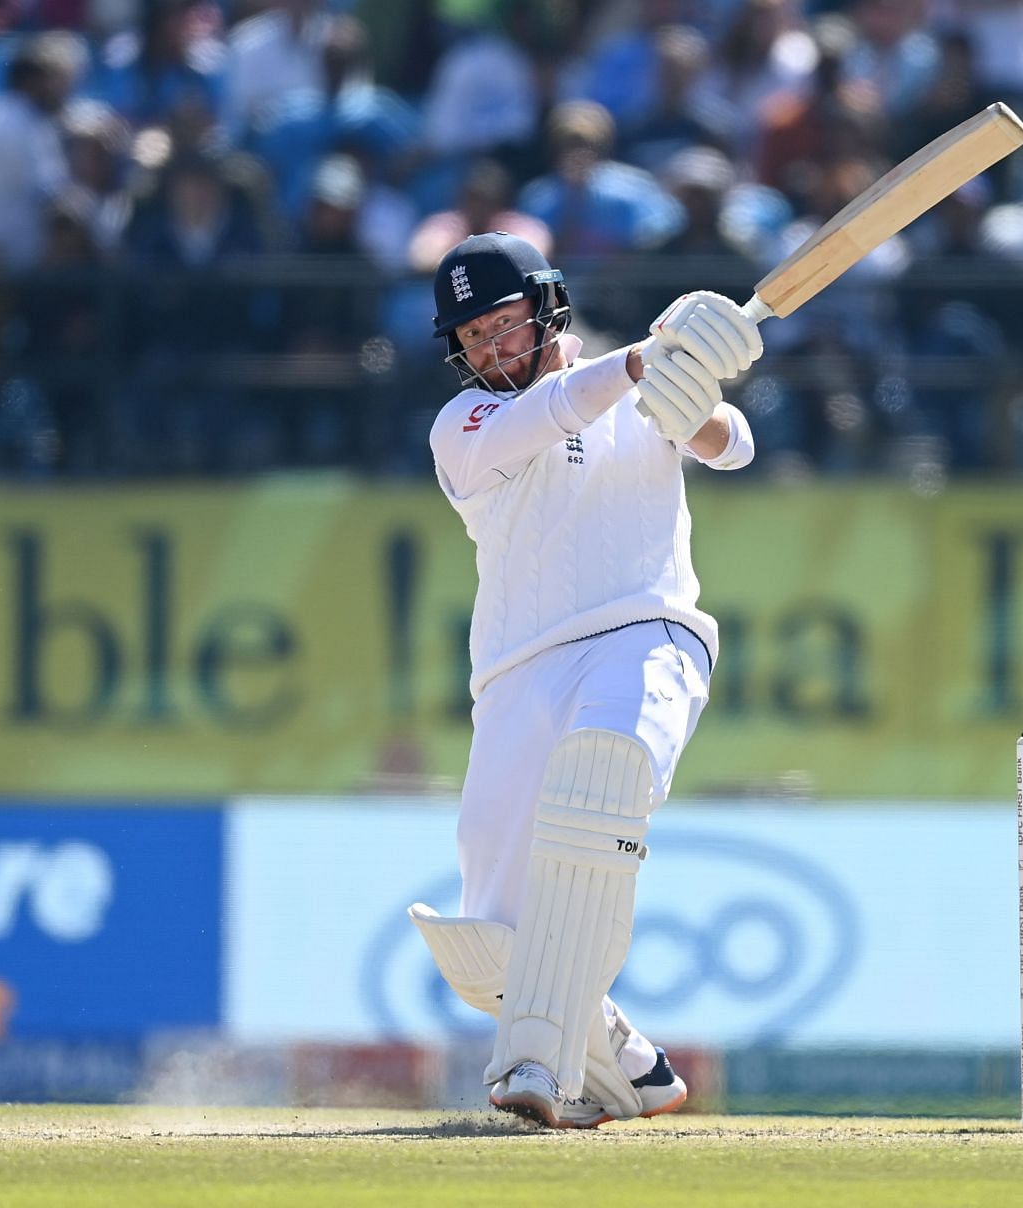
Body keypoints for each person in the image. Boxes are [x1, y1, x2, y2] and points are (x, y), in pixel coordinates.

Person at [404, 231, 762, 1129]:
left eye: (502, 323)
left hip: (647, 633)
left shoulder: (637, 387)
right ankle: (635, 1069)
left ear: (546, 305)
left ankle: (537, 1068)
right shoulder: (464, 426)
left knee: (601, 775)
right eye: (471, 337)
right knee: (491, 939)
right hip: (520, 671)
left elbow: (735, 447)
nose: (488, 349)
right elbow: (552, 413)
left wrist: (692, 400)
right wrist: (643, 361)